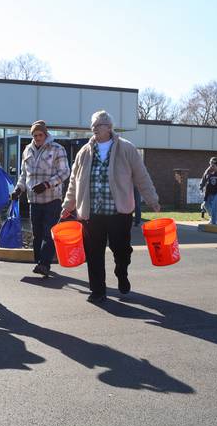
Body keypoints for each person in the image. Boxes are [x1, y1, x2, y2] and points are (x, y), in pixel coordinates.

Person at [61, 110, 161, 304]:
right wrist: (68, 205)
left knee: (121, 250)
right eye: (93, 125)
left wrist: (152, 199)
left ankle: (121, 272)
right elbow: (74, 181)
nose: (95, 129)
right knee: (93, 253)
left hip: (119, 212)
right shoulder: (84, 152)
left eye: (99, 125)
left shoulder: (126, 148)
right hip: (91, 213)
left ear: (109, 127)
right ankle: (98, 290)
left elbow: (142, 176)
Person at [12, 120, 70, 277]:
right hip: (34, 200)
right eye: (35, 135)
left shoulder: (58, 149)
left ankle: (44, 264)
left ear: (46, 134)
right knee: (37, 233)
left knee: (48, 232)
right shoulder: (27, 150)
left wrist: (46, 185)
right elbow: (24, 174)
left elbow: (65, 172)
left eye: (40, 135)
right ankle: (39, 262)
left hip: (52, 198)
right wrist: (19, 189)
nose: (37, 138)